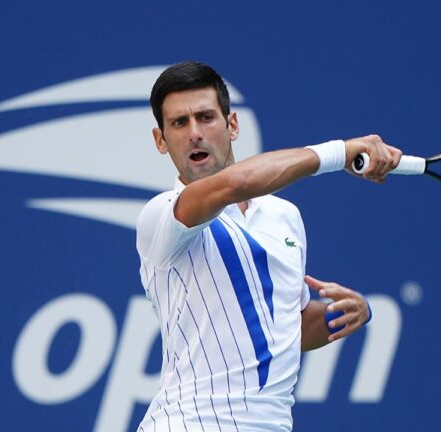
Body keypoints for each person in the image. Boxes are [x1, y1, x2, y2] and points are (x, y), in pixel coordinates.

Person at [135, 61, 401, 432]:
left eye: (206, 117)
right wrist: (339, 152)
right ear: (160, 140)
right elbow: (233, 185)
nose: (194, 133)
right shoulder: (161, 215)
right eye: (179, 123)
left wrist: (344, 315)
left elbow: (289, 329)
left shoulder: (284, 217)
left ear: (232, 125)